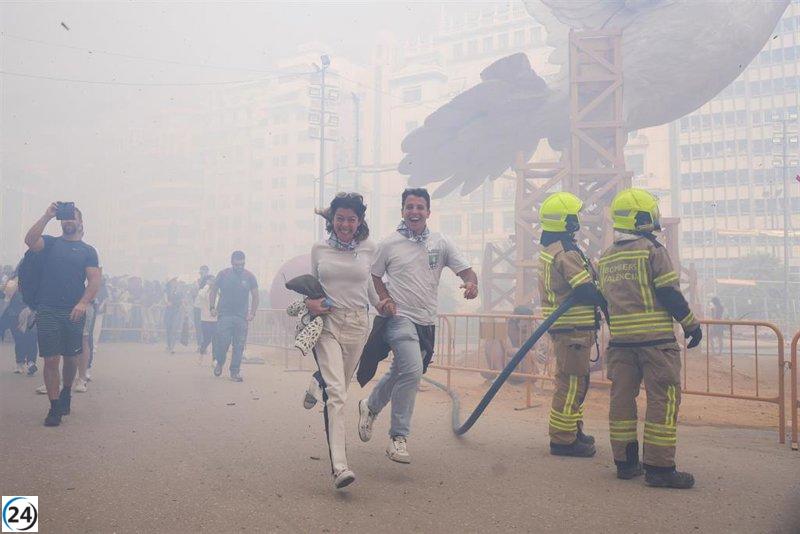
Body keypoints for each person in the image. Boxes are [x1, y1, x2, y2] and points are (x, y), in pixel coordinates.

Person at [357, 187, 478, 463]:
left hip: (426, 321)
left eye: (419, 207)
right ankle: (398, 438)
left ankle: (370, 406)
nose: (414, 212)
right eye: (409, 207)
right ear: (402, 211)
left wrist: (472, 284)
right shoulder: (389, 244)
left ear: (428, 212)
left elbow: (466, 270)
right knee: (411, 370)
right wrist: (383, 300)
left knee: (403, 370)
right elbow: (374, 277)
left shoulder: (440, 242)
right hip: (399, 317)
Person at [598, 188, 702, 488]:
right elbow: (669, 293)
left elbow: (605, 303)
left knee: (621, 404)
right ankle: (659, 469)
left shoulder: (606, 258)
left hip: (620, 345)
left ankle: (625, 464)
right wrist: (691, 325)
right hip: (656, 344)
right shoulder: (652, 250)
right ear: (643, 217)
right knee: (663, 400)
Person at [305, 192, 378, 489]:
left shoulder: (370, 248)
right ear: (331, 220)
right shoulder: (319, 249)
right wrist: (311, 304)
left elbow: (372, 289)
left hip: (358, 324)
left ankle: (316, 381)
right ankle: (339, 466)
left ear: (359, 221)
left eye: (351, 219)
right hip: (328, 323)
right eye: (340, 219)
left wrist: (385, 304)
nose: (345, 224)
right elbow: (313, 285)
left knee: (339, 386)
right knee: (337, 395)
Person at [537, 192, 606, 457]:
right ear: (566, 221)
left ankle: (572, 429)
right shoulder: (565, 252)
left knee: (575, 381)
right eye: (573, 216)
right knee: (571, 384)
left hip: (569, 329)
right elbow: (585, 289)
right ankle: (563, 440)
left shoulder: (553, 248)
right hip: (573, 330)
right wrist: (605, 299)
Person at [24, 202, 101, 427]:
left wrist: (83, 303)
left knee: (70, 359)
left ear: (80, 222)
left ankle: (66, 390)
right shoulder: (50, 243)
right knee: (50, 359)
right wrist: (47, 216)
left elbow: (94, 280)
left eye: (73, 217)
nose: (69, 221)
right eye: (65, 217)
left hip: (74, 311)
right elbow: (30, 241)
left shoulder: (88, 251)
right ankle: (55, 406)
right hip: (47, 308)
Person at [210, 251, 258, 382]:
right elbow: (213, 290)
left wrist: (252, 313)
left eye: (242, 264)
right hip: (224, 315)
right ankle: (219, 362)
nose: (240, 267)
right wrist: (212, 307)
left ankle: (234, 372)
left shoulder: (249, 276)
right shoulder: (223, 274)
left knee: (239, 345)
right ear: (232, 263)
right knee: (223, 342)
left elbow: (255, 296)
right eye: (237, 264)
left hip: (241, 317)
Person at [0, 276, 38, 375]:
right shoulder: (12, 285)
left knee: (31, 338)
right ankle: (20, 363)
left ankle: (31, 362)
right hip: (14, 316)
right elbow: (4, 297)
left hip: (31, 315)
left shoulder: (37, 284)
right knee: (20, 339)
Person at [197, 273, 216, 364]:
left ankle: (214, 360)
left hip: (216, 319)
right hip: (205, 319)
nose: (213, 282)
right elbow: (202, 296)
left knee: (216, 340)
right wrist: (207, 285)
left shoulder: (217, 291)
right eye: (211, 280)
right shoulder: (203, 291)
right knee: (207, 339)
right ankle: (201, 352)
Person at [193, 265, 210, 352]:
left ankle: (205, 345)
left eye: (205, 271)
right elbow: (194, 293)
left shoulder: (210, 282)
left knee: (205, 327)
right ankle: (199, 345)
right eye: (202, 271)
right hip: (197, 306)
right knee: (198, 326)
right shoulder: (197, 282)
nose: (203, 273)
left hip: (206, 307)